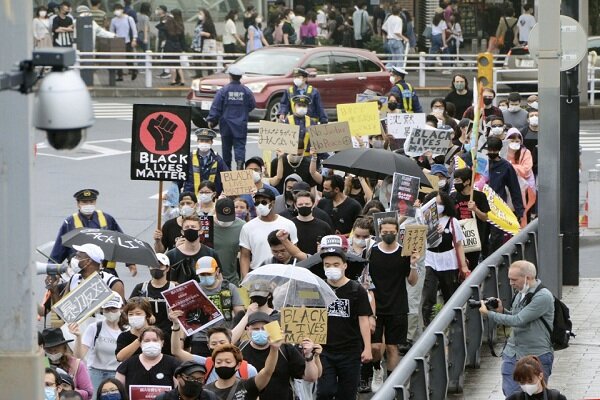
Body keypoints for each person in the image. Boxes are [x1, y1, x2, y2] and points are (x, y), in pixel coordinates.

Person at [479, 261, 554, 396]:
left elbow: (518, 320)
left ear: (528, 278)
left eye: (514, 279)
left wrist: (489, 314)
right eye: (509, 279)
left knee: (535, 395)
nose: (511, 283)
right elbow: (515, 316)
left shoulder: (543, 296)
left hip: (536, 355)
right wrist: (501, 311)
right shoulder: (520, 293)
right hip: (512, 353)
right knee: (511, 394)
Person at [367, 217, 419, 389]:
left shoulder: (404, 252)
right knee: (375, 347)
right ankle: (376, 370)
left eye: (391, 232)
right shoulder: (371, 252)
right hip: (375, 306)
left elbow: (412, 281)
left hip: (397, 306)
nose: (388, 234)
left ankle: (391, 383)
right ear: (379, 232)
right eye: (385, 232)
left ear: (397, 232)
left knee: (392, 347)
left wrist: (412, 265)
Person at [318, 245, 372, 399]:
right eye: (327, 265)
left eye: (336, 265)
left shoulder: (356, 290)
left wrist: (367, 347)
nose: (331, 268)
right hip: (324, 350)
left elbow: (363, 319)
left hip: (350, 351)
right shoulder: (318, 288)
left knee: (347, 394)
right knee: (324, 391)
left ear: (344, 265)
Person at [49, 188, 136, 276]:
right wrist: (51, 272)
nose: (88, 205)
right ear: (78, 204)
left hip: (106, 271)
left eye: (91, 202)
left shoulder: (107, 219)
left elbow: (121, 241)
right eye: (85, 202)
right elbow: (58, 251)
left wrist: (130, 263)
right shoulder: (70, 223)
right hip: (79, 272)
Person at [239, 312, 319, 400]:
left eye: (264, 328)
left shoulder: (285, 349)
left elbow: (311, 377)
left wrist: (308, 355)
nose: (260, 332)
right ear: (247, 329)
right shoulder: (239, 351)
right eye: (256, 329)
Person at [422, 191, 469, 326]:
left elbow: (459, 244)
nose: (438, 206)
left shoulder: (452, 221)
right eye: (435, 204)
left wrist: (463, 266)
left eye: (441, 204)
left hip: (448, 261)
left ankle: (452, 323)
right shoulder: (424, 220)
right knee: (428, 295)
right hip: (429, 259)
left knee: (450, 293)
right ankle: (428, 324)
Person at [171, 320, 259, 384]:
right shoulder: (206, 363)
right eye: (214, 343)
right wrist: (176, 324)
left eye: (222, 342)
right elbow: (177, 351)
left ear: (231, 343)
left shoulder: (248, 370)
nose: (218, 346)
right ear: (208, 346)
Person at [68, 293, 124, 391]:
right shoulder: (94, 327)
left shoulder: (127, 330)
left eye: (114, 308)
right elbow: (78, 356)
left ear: (121, 308)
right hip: (95, 373)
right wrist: (78, 336)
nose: (110, 312)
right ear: (102, 310)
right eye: (107, 309)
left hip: (117, 373)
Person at [190, 256, 245, 356]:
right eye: (202, 274)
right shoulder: (193, 290)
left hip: (224, 337)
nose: (205, 276)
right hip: (200, 338)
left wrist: (234, 333)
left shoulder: (229, 288)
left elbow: (240, 313)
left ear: (217, 271)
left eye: (208, 273)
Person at [207, 65, 256, 171]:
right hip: (240, 124)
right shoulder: (246, 91)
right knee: (240, 146)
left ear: (230, 76)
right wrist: (243, 112)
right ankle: (239, 165)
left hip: (226, 125)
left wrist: (211, 119)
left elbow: (216, 106)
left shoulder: (224, 91)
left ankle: (227, 169)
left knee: (226, 148)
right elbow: (252, 104)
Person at [239, 188, 298, 276]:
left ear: (273, 203)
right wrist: (245, 279)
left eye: (264, 202)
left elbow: (295, 252)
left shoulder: (288, 224)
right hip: (258, 274)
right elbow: (244, 256)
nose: (260, 205)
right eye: (257, 202)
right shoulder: (247, 227)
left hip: (283, 273)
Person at [129, 254, 176, 355]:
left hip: (168, 336)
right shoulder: (141, 287)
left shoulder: (174, 288)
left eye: (160, 266)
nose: (156, 268)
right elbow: (128, 309)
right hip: (145, 336)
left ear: (167, 268)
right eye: (153, 265)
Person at [204, 341, 283, 400]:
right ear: (214, 365)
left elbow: (267, 371)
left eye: (228, 362)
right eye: (219, 362)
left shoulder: (247, 386)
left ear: (238, 365)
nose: (223, 365)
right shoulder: (205, 391)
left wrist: (274, 349)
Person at [486, 137, 525, 253]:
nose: (492, 153)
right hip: (481, 205)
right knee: (482, 236)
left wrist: (519, 211)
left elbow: (515, 189)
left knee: (496, 237)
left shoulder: (506, 166)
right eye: (490, 150)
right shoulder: (481, 163)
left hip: (498, 207)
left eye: (495, 150)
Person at [53, 243, 125, 303]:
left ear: (88, 261)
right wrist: (54, 289)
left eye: (78, 257)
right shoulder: (74, 279)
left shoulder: (113, 283)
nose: (74, 259)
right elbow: (63, 313)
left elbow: (120, 313)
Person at [116, 326, 181, 391]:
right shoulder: (127, 365)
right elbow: (119, 392)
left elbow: (180, 392)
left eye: (155, 340)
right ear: (140, 344)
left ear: (162, 343)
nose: (151, 343)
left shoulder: (173, 364)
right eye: (147, 341)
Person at [451, 168, 490, 269]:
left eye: (458, 180)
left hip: (474, 238)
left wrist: (475, 209)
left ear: (468, 181)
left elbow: (485, 218)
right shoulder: (453, 196)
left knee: (472, 267)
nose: (455, 183)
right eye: (454, 180)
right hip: (458, 239)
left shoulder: (480, 196)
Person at [166, 215, 221, 284]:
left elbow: (219, 277)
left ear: (201, 231)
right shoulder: (171, 255)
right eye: (187, 227)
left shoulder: (211, 253)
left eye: (193, 227)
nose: (190, 229)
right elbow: (165, 281)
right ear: (182, 232)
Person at [42, 328, 94, 400]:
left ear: (64, 347)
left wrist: (70, 391)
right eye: (49, 350)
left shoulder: (76, 364)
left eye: (56, 349)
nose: (53, 353)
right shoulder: (40, 365)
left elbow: (89, 393)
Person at [213, 197, 245, 285]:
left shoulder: (242, 226)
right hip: (209, 277)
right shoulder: (206, 224)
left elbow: (245, 255)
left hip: (231, 278)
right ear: (215, 211)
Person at [292, 190, 333, 255]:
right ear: (295, 205)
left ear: (313, 204)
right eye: (300, 204)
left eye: (307, 204)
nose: (304, 206)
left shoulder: (324, 226)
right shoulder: (290, 225)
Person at [110, 4, 138, 82]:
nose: (116, 11)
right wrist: (113, 38)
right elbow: (111, 31)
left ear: (122, 10)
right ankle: (120, 75)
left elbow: (134, 29)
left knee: (128, 58)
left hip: (127, 41)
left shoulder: (129, 18)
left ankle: (133, 71)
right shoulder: (114, 20)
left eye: (118, 9)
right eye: (115, 10)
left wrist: (134, 39)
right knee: (118, 59)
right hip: (117, 41)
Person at [163, 9, 185, 86]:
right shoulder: (180, 24)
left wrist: (167, 20)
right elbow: (182, 37)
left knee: (171, 63)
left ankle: (173, 80)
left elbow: (163, 30)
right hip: (177, 45)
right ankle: (182, 80)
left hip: (169, 44)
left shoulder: (169, 24)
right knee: (178, 63)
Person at [522, 108, 539, 176]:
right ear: (528, 119)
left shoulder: (546, 132)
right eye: (531, 116)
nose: (534, 117)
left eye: (537, 115)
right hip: (527, 164)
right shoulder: (523, 132)